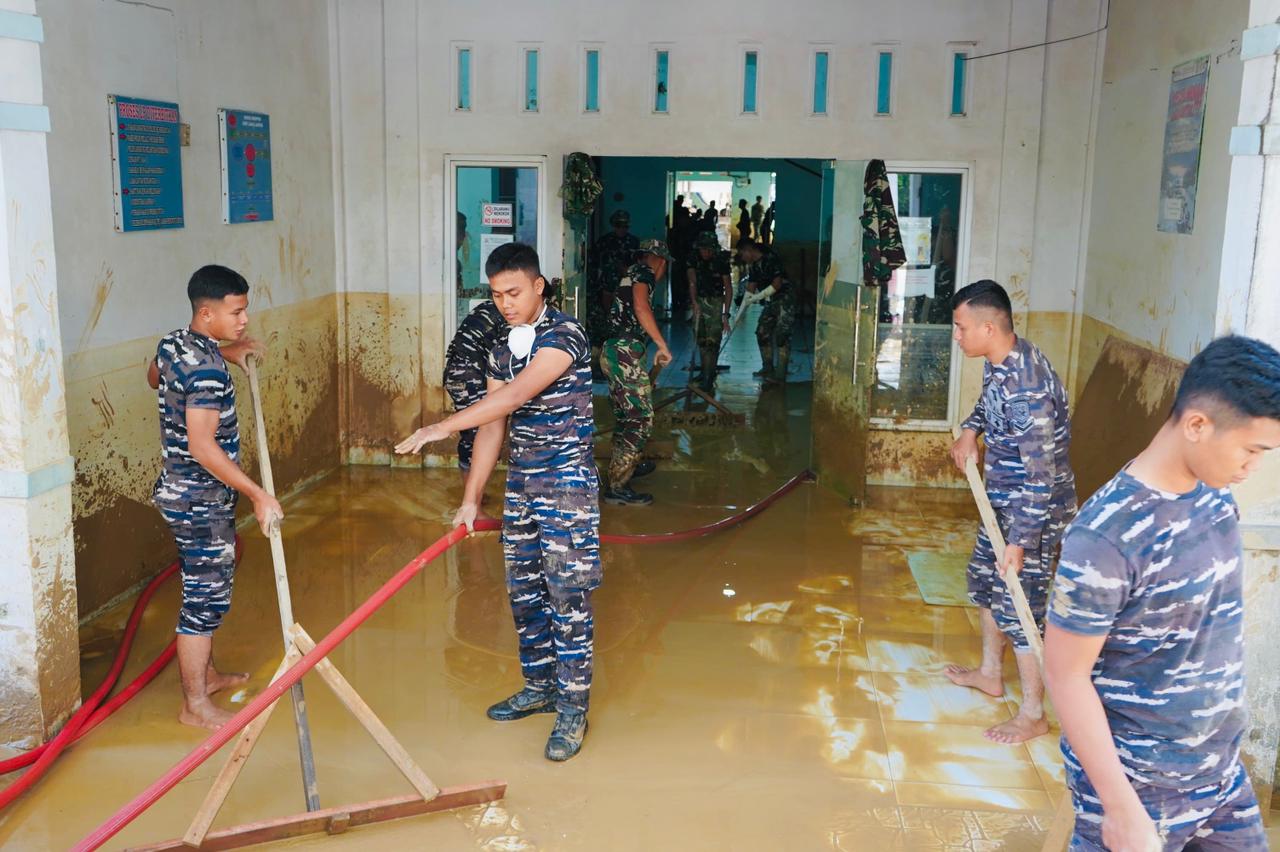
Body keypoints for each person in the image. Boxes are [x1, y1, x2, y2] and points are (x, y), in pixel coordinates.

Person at [1044, 335, 1280, 852]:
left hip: (1219, 778)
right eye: (1252, 449)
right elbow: (1065, 675)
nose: (1253, 467)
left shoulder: (1216, 499)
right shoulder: (1106, 536)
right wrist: (1121, 808)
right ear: (1197, 424)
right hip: (1139, 788)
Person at [395, 242, 600, 762]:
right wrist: (471, 499)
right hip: (523, 487)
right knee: (525, 594)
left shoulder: (565, 334)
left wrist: (439, 426)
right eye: (496, 294)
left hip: (567, 484)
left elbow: (509, 398)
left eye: (513, 292)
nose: (505, 303)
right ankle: (540, 687)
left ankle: (573, 707)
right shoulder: (501, 347)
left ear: (539, 286)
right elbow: (493, 423)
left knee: (567, 597)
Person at [145, 265, 280, 730]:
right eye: (235, 312)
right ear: (207, 312)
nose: (244, 320)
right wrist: (257, 493)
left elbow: (154, 378)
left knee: (205, 591)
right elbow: (203, 447)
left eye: (244, 310)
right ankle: (195, 705)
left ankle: (209, 674)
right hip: (199, 498)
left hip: (179, 491)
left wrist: (227, 349)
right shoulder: (206, 371)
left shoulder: (174, 343)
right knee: (204, 601)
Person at [944, 279, 1076, 745]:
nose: (956, 336)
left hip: (1032, 518)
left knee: (1020, 609)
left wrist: (1019, 543)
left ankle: (1034, 713)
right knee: (983, 585)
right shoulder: (999, 361)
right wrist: (968, 431)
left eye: (961, 328)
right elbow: (988, 404)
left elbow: (1040, 479)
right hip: (1000, 503)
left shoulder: (1029, 388)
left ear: (988, 326)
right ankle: (988, 674)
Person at [600, 239, 674, 505]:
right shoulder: (644, 273)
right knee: (640, 418)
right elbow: (642, 308)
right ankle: (618, 486)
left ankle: (627, 466)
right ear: (661, 261)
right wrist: (662, 344)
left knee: (626, 415)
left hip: (614, 349)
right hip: (624, 352)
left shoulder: (628, 274)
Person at [443, 298, 506, 521]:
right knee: (478, 435)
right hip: (471, 374)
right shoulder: (511, 314)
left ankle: (474, 497)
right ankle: (475, 507)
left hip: (458, 371)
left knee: (472, 436)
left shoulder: (491, 306)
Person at [737, 238, 797, 384]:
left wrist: (756, 297)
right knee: (762, 332)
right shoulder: (754, 266)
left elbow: (777, 285)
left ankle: (780, 374)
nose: (742, 257)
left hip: (784, 299)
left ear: (748, 250)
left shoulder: (771, 259)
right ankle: (767, 367)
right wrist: (740, 313)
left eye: (742, 253)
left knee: (782, 335)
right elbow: (750, 289)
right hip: (771, 301)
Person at [587, 209, 640, 368]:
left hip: (626, 290)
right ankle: (602, 362)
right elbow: (593, 263)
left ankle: (619, 360)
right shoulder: (605, 241)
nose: (621, 229)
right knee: (604, 323)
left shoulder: (634, 242)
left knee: (623, 327)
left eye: (624, 225)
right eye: (618, 225)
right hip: (605, 289)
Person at [687, 231, 732, 393]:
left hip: (716, 301)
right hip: (699, 299)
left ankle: (708, 377)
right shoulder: (693, 257)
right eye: (702, 249)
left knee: (712, 341)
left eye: (708, 249)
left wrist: (725, 314)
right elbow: (692, 282)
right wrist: (694, 303)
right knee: (701, 338)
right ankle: (704, 372)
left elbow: (728, 287)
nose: (705, 253)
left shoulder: (720, 260)